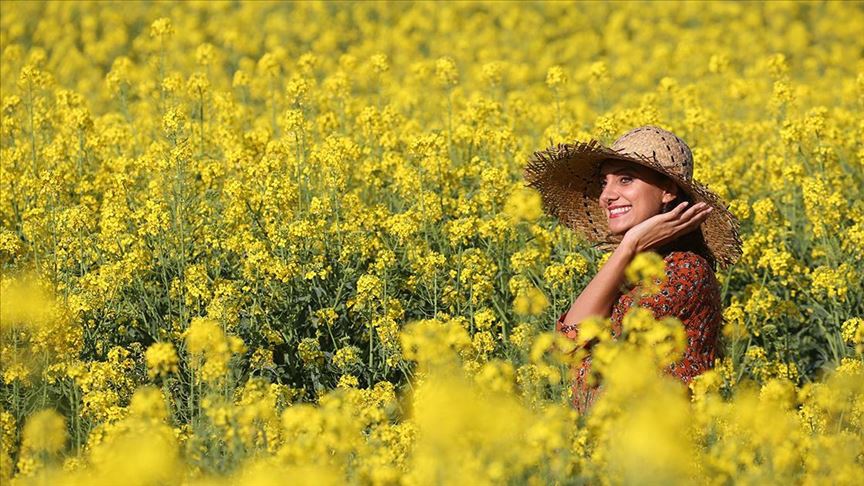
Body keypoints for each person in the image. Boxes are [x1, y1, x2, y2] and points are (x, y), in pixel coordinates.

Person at [522, 125, 743, 413]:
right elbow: (563, 354)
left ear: (667, 191)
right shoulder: (630, 270)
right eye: (604, 182)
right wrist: (629, 249)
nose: (606, 196)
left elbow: (574, 350)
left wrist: (628, 246)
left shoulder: (686, 271)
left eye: (626, 180)